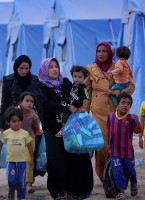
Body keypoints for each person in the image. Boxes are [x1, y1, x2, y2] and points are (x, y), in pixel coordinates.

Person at [35, 58, 93, 199]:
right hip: (52, 129)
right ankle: (59, 192)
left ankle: (79, 191)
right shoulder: (39, 87)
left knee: (77, 156)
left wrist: (82, 106)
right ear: (44, 70)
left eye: (56, 67)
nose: (55, 69)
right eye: (51, 67)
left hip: (71, 127)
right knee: (57, 160)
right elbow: (44, 106)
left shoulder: (66, 83)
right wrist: (66, 107)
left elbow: (78, 95)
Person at [84, 42, 135, 181]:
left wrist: (116, 92)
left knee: (118, 144)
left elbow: (131, 86)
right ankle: (103, 175)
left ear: (110, 53)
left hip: (116, 112)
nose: (101, 54)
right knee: (102, 145)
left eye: (104, 51)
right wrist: (84, 113)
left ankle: (118, 173)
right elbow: (86, 93)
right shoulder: (90, 68)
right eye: (98, 51)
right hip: (98, 112)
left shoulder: (120, 65)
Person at [0, 55, 45, 179]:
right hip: (13, 120)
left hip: (31, 119)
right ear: (16, 67)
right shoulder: (8, 80)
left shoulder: (36, 80)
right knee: (15, 150)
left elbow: (39, 102)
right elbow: (4, 102)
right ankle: (16, 177)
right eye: (21, 68)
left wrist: (42, 120)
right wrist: (2, 124)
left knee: (31, 149)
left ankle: (29, 177)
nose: (24, 71)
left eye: (27, 68)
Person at [106, 93, 142, 199]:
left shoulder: (131, 118)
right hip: (114, 151)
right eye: (123, 102)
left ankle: (134, 183)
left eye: (128, 103)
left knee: (130, 170)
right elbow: (109, 131)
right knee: (117, 171)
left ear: (130, 106)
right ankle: (121, 191)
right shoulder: (111, 116)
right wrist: (109, 145)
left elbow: (139, 130)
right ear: (117, 104)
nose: (125, 105)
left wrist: (138, 121)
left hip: (127, 151)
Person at [0, 107, 34, 200]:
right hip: (11, 162)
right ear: (8, 122)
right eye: (14, 121)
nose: (17, 123)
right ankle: (11, 192)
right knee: (11, 180)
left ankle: (20, 198)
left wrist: (32, 159)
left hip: (22, 162)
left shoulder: (25, 133)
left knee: (21, 181)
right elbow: (0, 145)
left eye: (19, 121)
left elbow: (29, 146)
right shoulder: (6, 133)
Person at [55, 65, 90, 137]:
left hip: (78, 109)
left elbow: (86, 98)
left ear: (84, 78)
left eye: (80, 77)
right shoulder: (73, 85)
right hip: (72, 108)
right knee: (64, 116)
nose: (77, 79)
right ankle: (65, 129)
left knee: (67, 117)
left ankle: (63, 130)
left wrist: (83, 107)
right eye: (75, 76)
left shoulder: (83, 87)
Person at [18, 92, 41, 193]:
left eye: (32, 102)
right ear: (21, 102)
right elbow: (9, 121)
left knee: (28, 160)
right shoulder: (15, 112)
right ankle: (18, 182)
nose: (29, 103)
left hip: (30, 139)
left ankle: (28, 184)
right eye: (27, 101)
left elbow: (36, 129)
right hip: (17, 138)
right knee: (17, 159)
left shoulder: (33, 116)